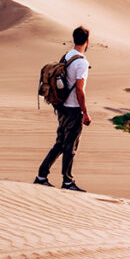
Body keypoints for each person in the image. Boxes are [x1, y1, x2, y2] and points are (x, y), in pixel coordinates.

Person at [34, 26, 92, 191]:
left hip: (61, 108)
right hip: (73, 110)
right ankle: (67, 181)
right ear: (87, 41)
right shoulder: (81, 62)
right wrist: (85, 113)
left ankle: (41, 175)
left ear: (74, 39)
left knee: (60, 143)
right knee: (70, 146)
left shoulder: (67, 56)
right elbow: (80, 90)